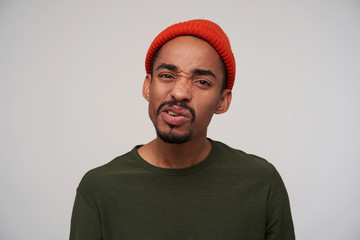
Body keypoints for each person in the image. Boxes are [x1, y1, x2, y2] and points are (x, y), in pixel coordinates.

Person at [70, 19, 295, 240]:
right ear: (148, 86)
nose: (179, 92)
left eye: (202, 82)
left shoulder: (262, 182)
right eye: (167, 76)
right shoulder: (99, 188)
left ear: (222, 101)